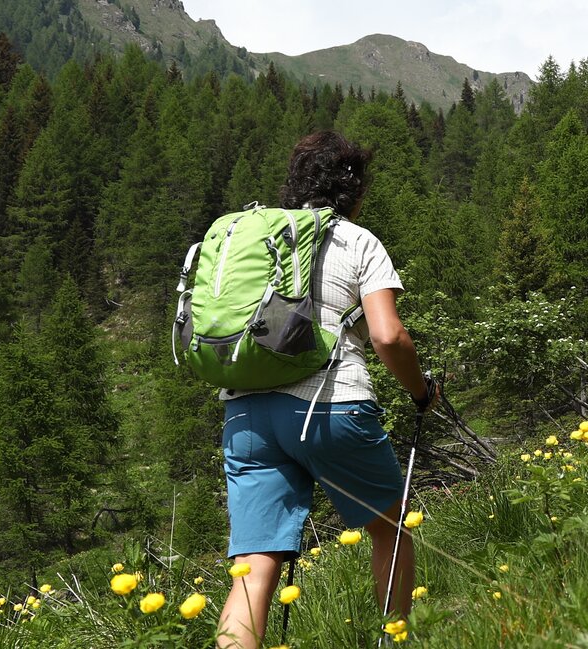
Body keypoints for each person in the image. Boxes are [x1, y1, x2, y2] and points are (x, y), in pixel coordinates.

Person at [214, 131, 439, 649]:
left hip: (245, 414)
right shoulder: (358, 241)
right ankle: (393, 640)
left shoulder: (258, 238)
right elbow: (387, 335)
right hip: (330, 405)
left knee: (254, 562)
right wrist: (420, 392)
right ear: (354, 190)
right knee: (390, 527)